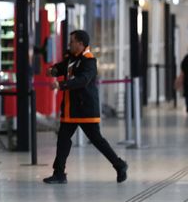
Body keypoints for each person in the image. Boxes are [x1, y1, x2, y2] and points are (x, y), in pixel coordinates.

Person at [43, 30, 128, 185]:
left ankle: (119, 164)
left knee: (97, 140)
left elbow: (82, 80)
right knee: (63, 138)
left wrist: (61, 84)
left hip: (85, 109)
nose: (69, 44)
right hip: (71, 109)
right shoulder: (72, 58)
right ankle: (59, 173)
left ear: (81, 44)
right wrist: (53, 71)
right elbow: (62, 67)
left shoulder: (89, 61)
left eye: (72, 41)